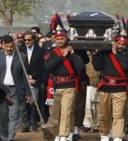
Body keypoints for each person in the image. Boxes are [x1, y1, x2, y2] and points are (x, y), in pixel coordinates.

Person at [42, 13, 84, 141]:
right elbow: (49, 66)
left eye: (62, 39)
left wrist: (71, 54)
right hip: (55, 86)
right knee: (55, 114)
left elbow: (80, 67)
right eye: (58, 39)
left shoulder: (72, 51)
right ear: (54, 39)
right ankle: (56, 134)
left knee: (66, 112)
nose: (60, 41)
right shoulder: (51, 52)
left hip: (69, 86)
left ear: (66, 39)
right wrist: (62, 55)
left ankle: (64, 136)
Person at [91, 28, 128, 141]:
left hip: (120, 88)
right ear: (115, 42)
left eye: (123, 44)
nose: (121, 46)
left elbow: (125, 66)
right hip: (105, 87)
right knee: (104, 114)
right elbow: (97, 67)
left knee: (118, 115)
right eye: (119, 43)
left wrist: (115, 53)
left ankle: (117, 136)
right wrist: (95, 54)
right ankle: (104, 135)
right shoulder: (106, 53)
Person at [0, 35, 30, 141]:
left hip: (16, 90)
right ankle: (3, 137)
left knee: (14, 117)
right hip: (1, 91)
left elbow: (25, 76)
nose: (9, 49)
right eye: (7, 46)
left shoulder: (22, 57)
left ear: (15, 46)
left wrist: (28, 93)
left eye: (11, 46)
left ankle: (10, 138)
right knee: (2, 118)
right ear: (3, 45)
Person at [19, 31, 45, 132]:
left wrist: (32, 76)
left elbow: (42, 66)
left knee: (34, 102)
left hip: (35, 80)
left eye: (29, 40)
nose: (27, 42)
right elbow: (19, 65)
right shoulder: (20, 50)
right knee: (24, 103)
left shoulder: (40, 51)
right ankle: (25, 124)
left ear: (34, 40)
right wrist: (26, 77)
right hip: (23, 79)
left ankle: (34, 123)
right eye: (25, 40)